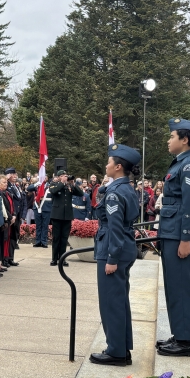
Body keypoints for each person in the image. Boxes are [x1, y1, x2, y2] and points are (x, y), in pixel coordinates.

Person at [156, 118, 190, 357]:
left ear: (184, 140)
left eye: (172, 136)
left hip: (179, 234)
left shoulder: (188, 166)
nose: (168, 140)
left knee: (181, 288)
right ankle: (180, 333)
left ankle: (186, 342)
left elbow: (189, 204)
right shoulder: (180, 164)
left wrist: (186, 238)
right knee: (173, 287)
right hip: (171, 231)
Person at [90, 144, 141, 366]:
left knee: (112, 302)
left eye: (109, 162)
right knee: (119, 301)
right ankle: (121, 347)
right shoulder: (125, 188)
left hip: (113, 249)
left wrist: (112, 258)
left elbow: (115, 227)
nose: (106, 165)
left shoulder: (116, 193)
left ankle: (116, 351)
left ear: (118, 167)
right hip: (123, 248)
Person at [48, 171, 83, 267]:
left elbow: (80, 193)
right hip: (57, 215)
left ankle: (62, 259)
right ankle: (54, 259)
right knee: (56, 238)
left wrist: (73, 184)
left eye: (66, 176)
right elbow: (54, 191)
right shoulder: (54, 184)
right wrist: (62, 183)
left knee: (64, 238)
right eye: (63, 176)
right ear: (59, 177)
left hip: (67, 216)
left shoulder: (70, 186)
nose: (65, 177)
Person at [5, 168, 25, 266]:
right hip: (11, 215)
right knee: (8, 237)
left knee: (14, 237)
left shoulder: (17, 186)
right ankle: (6, 258)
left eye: (15, 174)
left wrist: (22, 215)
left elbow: (22, 200)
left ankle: (11, 258)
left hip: (18, 215)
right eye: (12, 174)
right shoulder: (6, 186)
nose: (15, 176)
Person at [27, 180, 52, 248]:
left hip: (46, 208)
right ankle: (38, 241)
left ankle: (44, 242)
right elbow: (28, 188)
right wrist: (36, 184)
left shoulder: (49, 186)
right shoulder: (37, 186)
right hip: (37, 207)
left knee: (45, 225)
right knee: (38, 225)